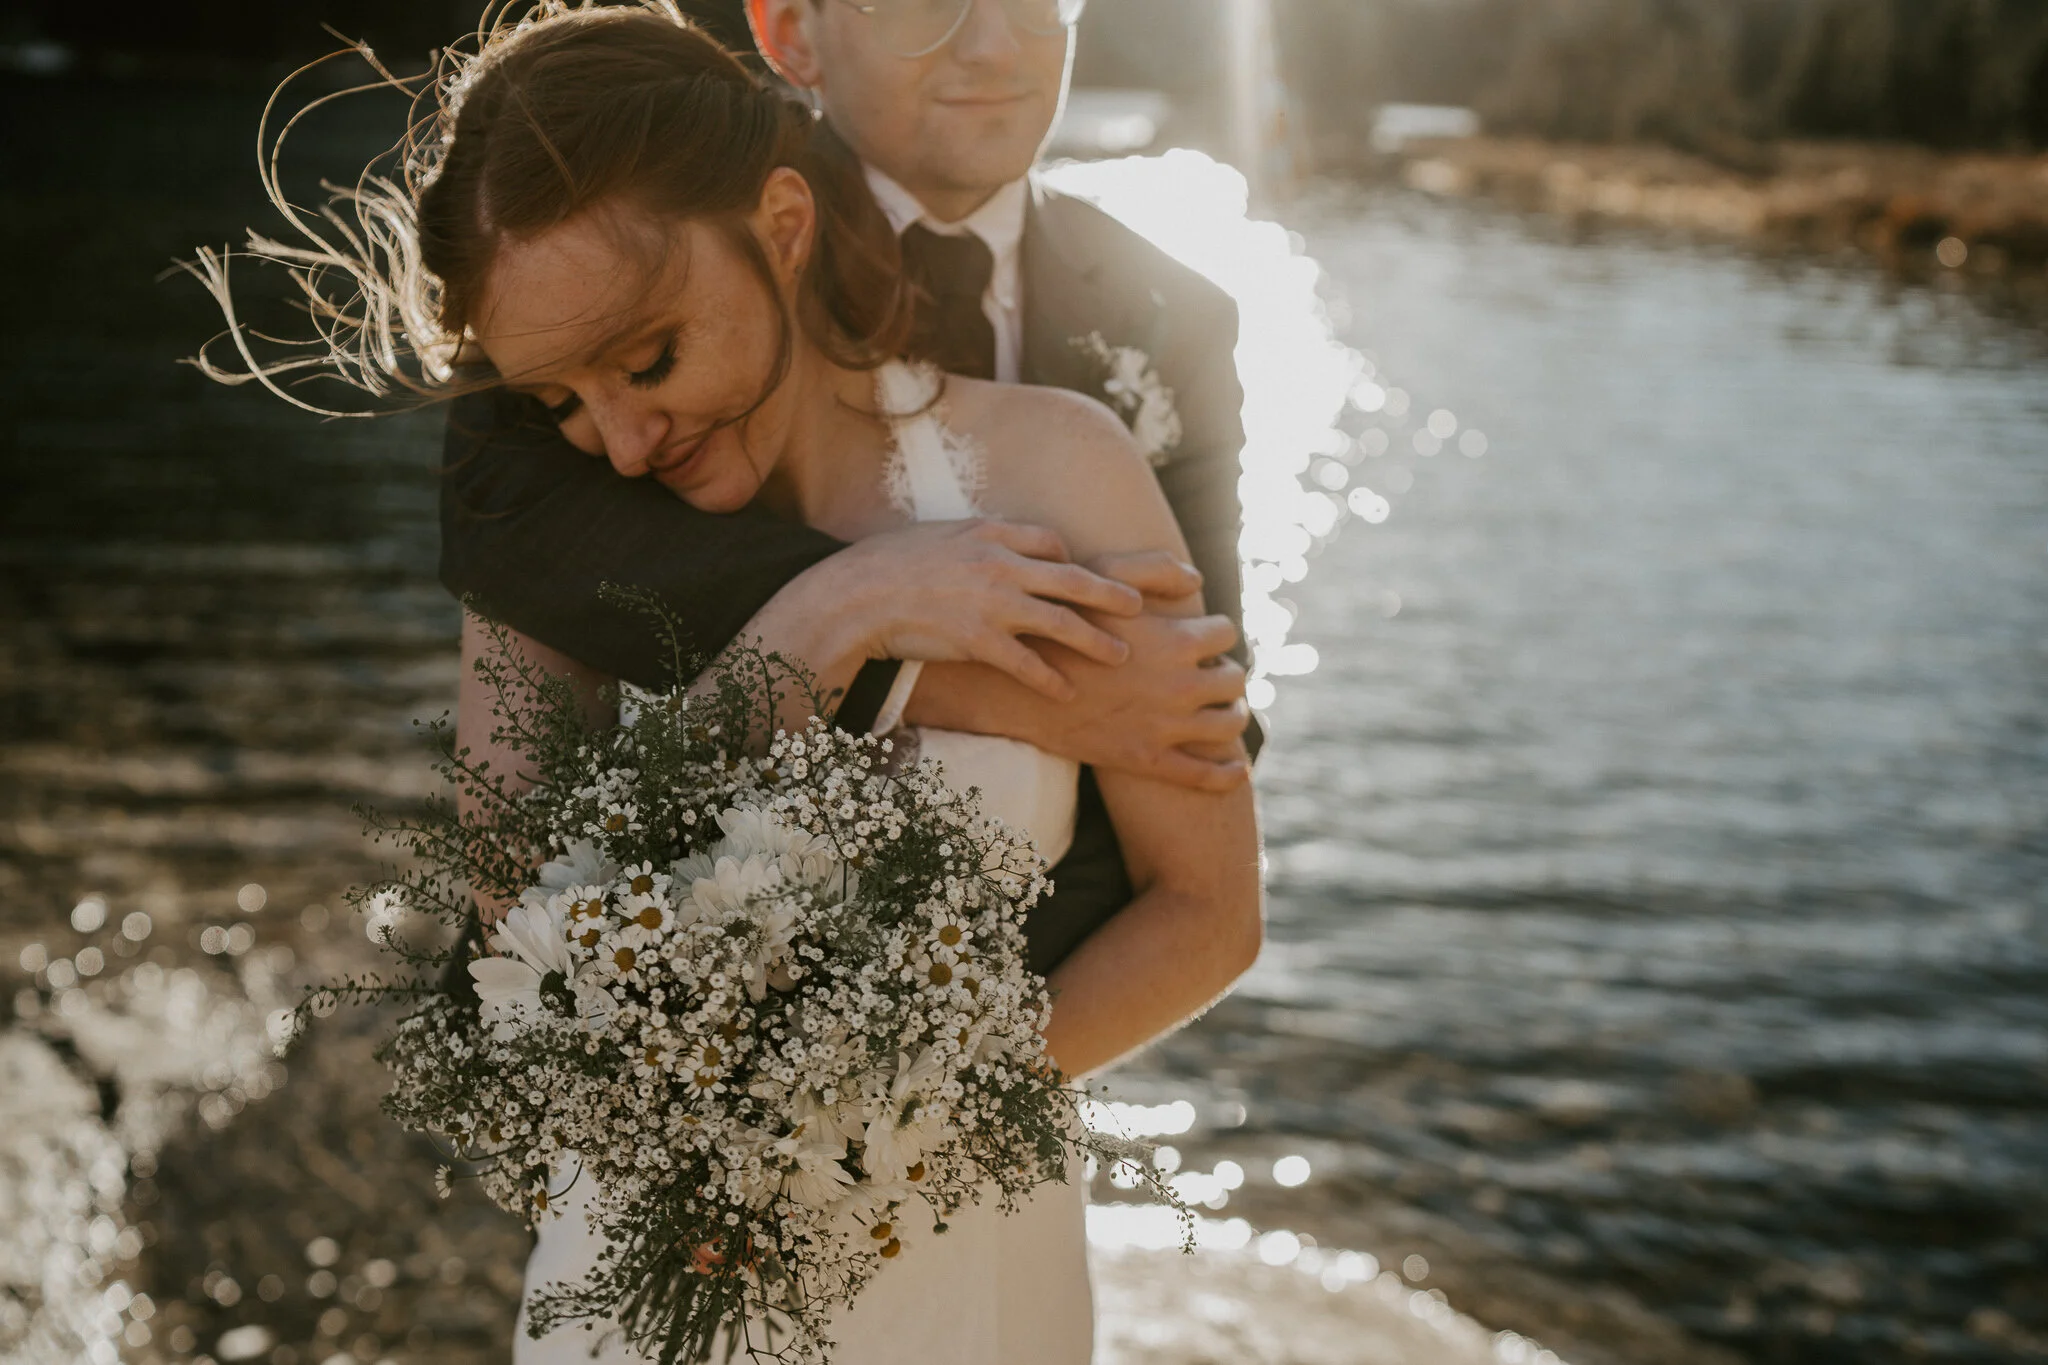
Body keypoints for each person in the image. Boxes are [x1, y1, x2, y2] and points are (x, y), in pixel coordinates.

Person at [185, 3, 1263, 1359]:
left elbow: (1207, 879)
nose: (624, 440)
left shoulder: (1066, 456)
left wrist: (889, 1116)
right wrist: (830, 621)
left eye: (649, 362)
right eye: (569, 399)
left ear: (787, 229)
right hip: (646, 1272)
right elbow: (524, 907)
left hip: (966, 1247)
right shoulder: (556, 482)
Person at [439, 0, 1260, 980]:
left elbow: (1187, 708)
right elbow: (526, 545)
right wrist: (888, 636)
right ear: (791, 32)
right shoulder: (604, 239)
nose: (995, 44)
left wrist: (914, 1089)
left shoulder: (1174, 319)